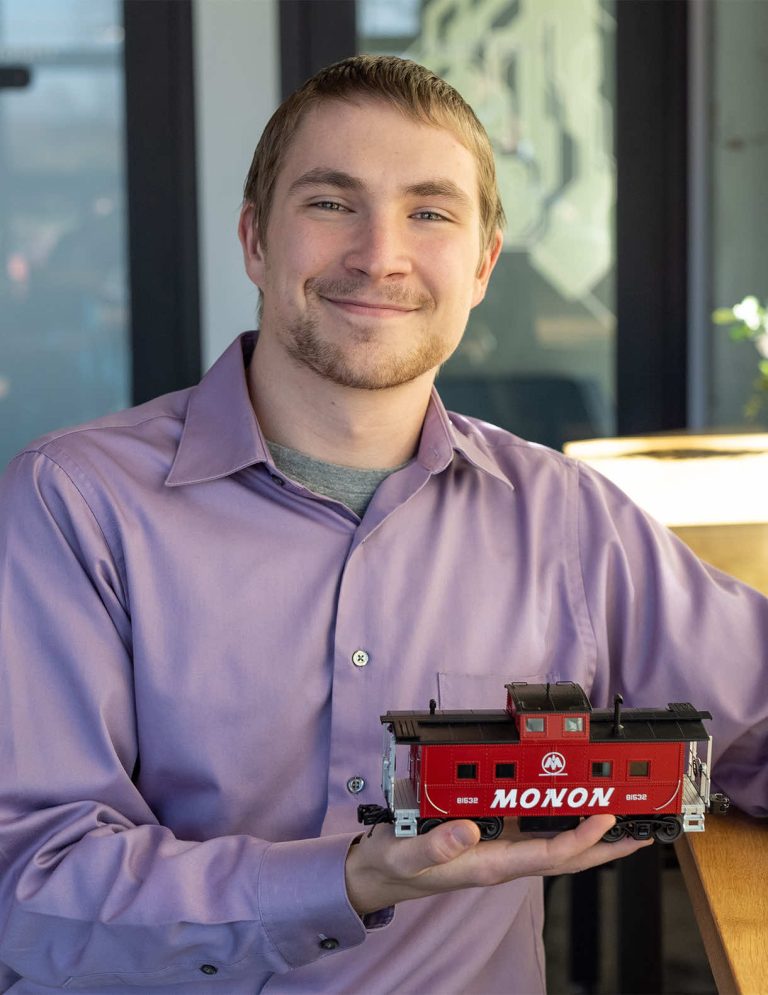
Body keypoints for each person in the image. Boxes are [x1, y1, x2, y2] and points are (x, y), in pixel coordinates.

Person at [0, 54, 766, 994]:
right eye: (330, 203)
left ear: (483, 265)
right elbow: (28, 890)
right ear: (254, 240)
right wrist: (347, 880)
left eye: (431, 212)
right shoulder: (72, 502)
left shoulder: (563, 517)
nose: (380, 254)